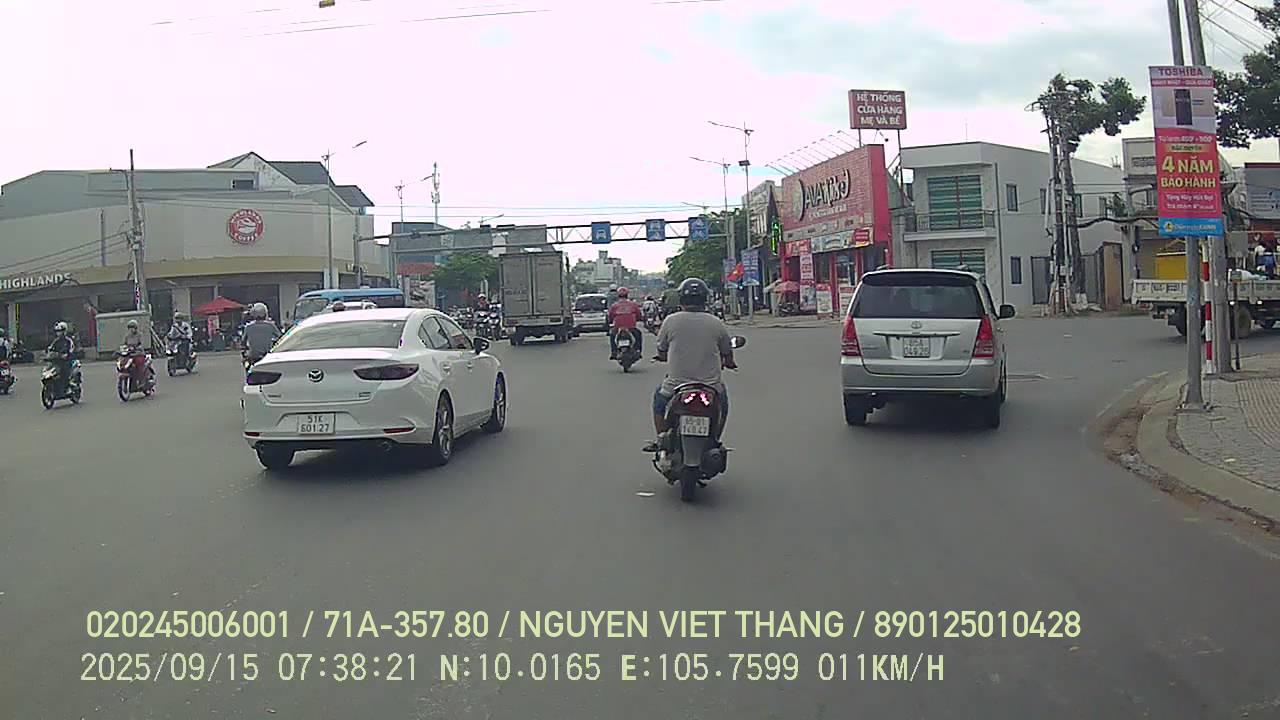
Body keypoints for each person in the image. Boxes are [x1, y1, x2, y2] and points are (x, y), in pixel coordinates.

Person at [643, 277, 736, 452]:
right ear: (705, 299)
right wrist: (729, 362)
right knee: (722, 404)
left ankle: (662, 439)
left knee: (659, 400)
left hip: (676, 385)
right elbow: (727, 351)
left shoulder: (670, 321)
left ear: (682, 299)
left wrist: (662, 356)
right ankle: (715, 439)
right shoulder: (716, 322)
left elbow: (661, 348)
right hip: (710, 386)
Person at [607, 287, 644, 359]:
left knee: (612, 335)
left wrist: (610, 322)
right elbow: (639, 315)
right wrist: (639, 319)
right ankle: (638, 350)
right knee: (638, 334)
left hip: (618, 327)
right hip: (631, 327)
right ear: (627, 295)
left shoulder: (614, 305)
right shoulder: (633, 304)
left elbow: (610, 316)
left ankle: (614, 352)